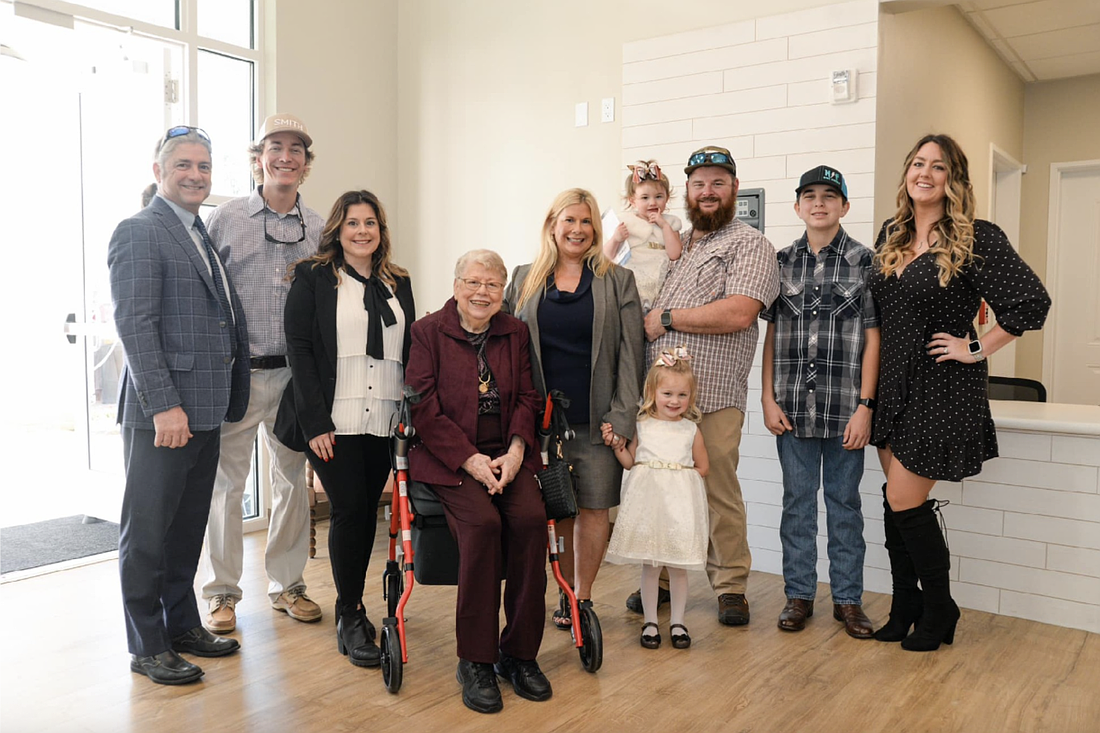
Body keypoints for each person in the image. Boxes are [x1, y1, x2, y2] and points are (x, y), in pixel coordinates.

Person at [871, 134, 1050, 651]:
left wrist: (975, 346)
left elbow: (1030, 303)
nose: (925, 173)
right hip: (894, 387)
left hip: (943, 388)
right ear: (907, 172)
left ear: (955, 180)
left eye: (939, 167)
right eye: (918, 163)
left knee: (904, 501)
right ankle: (906, 605)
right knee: (895, 504)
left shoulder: (976, 238)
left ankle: (940, 609)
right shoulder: (891, 234)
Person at [108, 126, 249, 685]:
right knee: (147, 534)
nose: (196, 175)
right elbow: (135, 325)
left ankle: (183, 624)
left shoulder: (199, 232)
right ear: (158, 169)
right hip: (164, 415)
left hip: (206, 412)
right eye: (184, 164)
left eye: (204, 166)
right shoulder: (140, 231)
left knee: (186, 528)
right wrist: (165, 406)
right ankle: (147, 643)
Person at [406, 249, 551, 715]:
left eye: (491, 285)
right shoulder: (427, 332)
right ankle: (476, 660)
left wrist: (515, 450)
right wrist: (469, 460)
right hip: (450, 459)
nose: (481, 293)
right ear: (456, 285)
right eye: (473, 282)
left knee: (530, 519)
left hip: (507, 455)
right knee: (484, 527)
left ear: (502, 291)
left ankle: (519, 654)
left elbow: (529, 396)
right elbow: (423, 406)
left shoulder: (515, 332)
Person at [639, 145, 780, 626]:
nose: (707, 192)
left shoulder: (749, 244)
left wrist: (668, 318)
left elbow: (740, 311)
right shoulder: (675, 246)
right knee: (660, 485)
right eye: (699, 184)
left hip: (713, 397)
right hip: (659, 402)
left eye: (718, 183)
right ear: (688, 191)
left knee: (715, 488)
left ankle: (731, 586)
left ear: (735, 190)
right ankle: (658, 581)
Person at [274, 190, 415, 667]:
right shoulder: (312, 277)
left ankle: (353, 605)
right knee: (351, 510)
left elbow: (410, 347)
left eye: (370, 222)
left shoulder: (399, 281)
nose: (362, 231)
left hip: (384, 418)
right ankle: (350, 613)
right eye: (353, 222)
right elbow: (299, 350)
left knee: (363, 514)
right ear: (337, 229)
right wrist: (315, 422)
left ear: (381, 230)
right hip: (334, 420)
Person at [198, 113, 326, 634]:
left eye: (296, 149)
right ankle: (223, 594)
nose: (286, 157)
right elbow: (206, 297)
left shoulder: (318, 228)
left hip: (295, 377)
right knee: (227, 486)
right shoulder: (227, 219)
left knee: (291, 482)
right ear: (258, 159)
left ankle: (288, 585)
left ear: (306, 165)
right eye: (276, 147)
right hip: (238, 374)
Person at [504, 188, 644, 630]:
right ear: (552, 225)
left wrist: (621, 417)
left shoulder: (617, 280)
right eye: (569, 220)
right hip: (541, 423)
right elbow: (506, 346)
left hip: (597, 421)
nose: (577, 230)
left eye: (586, 222)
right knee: (555, 511)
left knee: (594, 508)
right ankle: (563, 592)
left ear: (596, 229)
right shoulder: (524, 277)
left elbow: (631, 353)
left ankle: (582, 597)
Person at [760, 165, 879, 638]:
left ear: (845, 206)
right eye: (809, 196)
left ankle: (848, 600)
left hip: (845, 409)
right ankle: (799, 596)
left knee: (845, 506)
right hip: (791, 411)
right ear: (797, 207)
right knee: (797, 506)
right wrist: (767, 399)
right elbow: (771, 336)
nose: (819, 203)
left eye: (830, 196)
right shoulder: (781, 262)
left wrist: (866, 406)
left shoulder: (865, 262)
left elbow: (874, 339)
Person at [605, 348, 709, 650]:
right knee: (650, 566)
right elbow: (630, 461)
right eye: (667, 393)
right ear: (652, 392)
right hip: (650, 507)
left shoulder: (691, 430)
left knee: (678, 567)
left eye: (681, 395)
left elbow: (703, 467)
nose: (674, 401)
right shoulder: (642, 425)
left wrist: (680, 482)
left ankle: (678, 622)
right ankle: (650, 620)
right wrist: (615, 444)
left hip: (677, 508)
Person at [601, 160, 682, 311]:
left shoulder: (670, 223)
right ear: (633, 200)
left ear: (667, 198)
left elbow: (675, 253)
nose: (652, 202)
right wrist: (616, 239)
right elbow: (606, 257)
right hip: (631, 286)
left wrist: (663, 225)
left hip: (660, 289)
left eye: (658, 196)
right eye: (645, 198)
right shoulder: (625, 222)